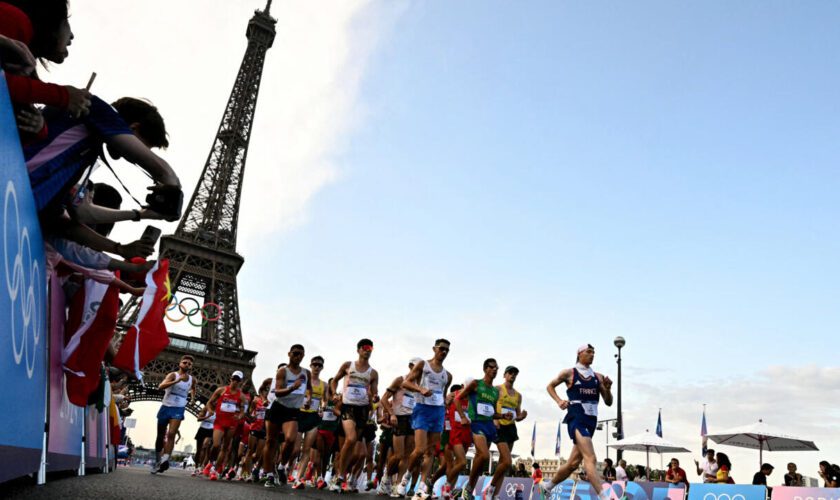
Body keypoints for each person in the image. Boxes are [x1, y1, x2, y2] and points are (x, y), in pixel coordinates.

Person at [538, 344, 614, 500]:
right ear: (579, 354)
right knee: (591, 458)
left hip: (591, 420)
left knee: (573, 463)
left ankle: (547, 486)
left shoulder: (598, 377)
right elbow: (550, 386)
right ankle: (605, 497)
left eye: (594, 352)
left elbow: (608, 402)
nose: (592, 355)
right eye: (589, 352)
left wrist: (607, 389)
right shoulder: (569, 373)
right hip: (576, 417)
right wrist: (559, 401)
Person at [402, 339, 452, 500]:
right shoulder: (423, 365)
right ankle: (406, 477)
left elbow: (442, 396)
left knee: (431, 451)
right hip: (422, 409)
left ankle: (422, 487)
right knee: (420, 449)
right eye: (441, 349)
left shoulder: (448, 375)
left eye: (446, 350)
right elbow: (406, 382)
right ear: (434, 349)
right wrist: (420, 389)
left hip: (438, 412)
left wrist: (446, 402)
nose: (443, 352)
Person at [328, 339, 379, 493]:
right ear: (358, 350)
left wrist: (374, 397)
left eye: (370, 348)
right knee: (350, 439)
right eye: (365, 347)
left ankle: (341, 474)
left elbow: (374, 392)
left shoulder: (373, 373)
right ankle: (340, 477)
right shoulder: (347, 365)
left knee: (356, 452)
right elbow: (335, 381)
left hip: (362, 409)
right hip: (348, 406)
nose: (368, 350)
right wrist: (335, 394)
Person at [457, 358, 513, 500]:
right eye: (491, 367)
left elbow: (491, 412)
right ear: (485, 369)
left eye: (496, 368)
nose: (494, 370)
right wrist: (463, 416)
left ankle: (490, 488)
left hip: (490, 426)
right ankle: (469, 487)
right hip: (477, 424)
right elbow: (458, 399)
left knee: (507, 461)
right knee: (485, 456)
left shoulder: (495, 391)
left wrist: (502, 415)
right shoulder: (476, 384)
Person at [262, 344, 312, 488]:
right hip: (279, 407)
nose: (298, 357)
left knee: (290, 440)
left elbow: (309, 390)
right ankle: (269, 475)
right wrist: (292, 388)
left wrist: (307, 399)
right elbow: (277, 391)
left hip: (293, 410)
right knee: (271, 442)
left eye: (301, 354)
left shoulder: (306, 373)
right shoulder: (282, 372)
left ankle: (281, 466)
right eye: (295, 353)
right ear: (289, 354)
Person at [378, 358, 421, 496]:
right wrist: (392, 414)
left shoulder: (421, 385)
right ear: (410, 366)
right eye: (416, 368)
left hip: (413, 420)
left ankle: (397, 485)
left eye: (421, 369)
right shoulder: (400, 380)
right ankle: (386, 479)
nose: (419, 372)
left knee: (407, 456)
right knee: (398, 454)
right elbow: (384, 399)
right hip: (399, 419)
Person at [152, 355, 196, 474]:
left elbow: (193, 389)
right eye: (185, 362)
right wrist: (177, 381)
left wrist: (192, 398)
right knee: (160, 436)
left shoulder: (192, 379)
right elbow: (161, 386)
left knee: (171, 434)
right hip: (166, 406)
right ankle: (157, 460)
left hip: (178, 408)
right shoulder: (173, 375)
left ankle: (165, 460)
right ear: (180, 363)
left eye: (189, 364)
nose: (187, 365)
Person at [489, 365, 528, 495]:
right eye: (510, 373)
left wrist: (522, 416)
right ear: (504, 375)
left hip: (511, 428)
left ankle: (495, 494)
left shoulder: (518, 395)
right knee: (507, 460)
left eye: (515, 373)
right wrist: (494, 420)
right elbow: (490, 406)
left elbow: (517, 416)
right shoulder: (497, 389)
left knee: (504, 464)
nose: (512, 375)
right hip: (499, 425)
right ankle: (490, 489)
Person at [203, 371, 248, 480]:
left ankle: (214, 469)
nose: (235, 381)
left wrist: (240, 416)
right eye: (234, 378)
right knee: (216, 445)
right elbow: (209, 402)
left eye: (238, 380)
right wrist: (210, 411)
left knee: (225, 448)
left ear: (240, 382)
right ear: (230, 378)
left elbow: (243, 411)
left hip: (232, 423)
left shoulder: (241, 396)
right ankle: (211, 462)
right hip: (220, 422)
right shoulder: (221, 390)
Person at [292, 355, 326, 489]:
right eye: (315, 364)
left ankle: (298, 479)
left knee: (306, 450)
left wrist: (322, 408)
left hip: (313, 417)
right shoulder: (303, 380)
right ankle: (283, 467)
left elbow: (324, 400)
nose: (317, 367)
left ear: (322, 367)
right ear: (310, 365)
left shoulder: (324, 385)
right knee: (295, 450)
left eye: (319, 365)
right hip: (300, 415)